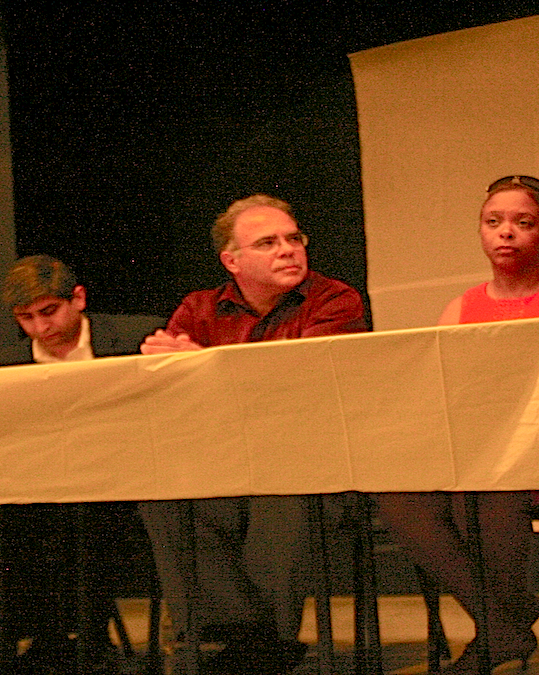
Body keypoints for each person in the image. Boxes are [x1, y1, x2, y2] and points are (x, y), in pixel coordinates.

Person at [374, 175, 539, 673]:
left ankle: (500, 626)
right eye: (493, 222)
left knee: (490, 484)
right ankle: (502, 619)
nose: (506, 233)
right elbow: (444, 394)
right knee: (398, 495)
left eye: (523, 222)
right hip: (479, 449)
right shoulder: (460, 307)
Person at [137, 194, 367, 675]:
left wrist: (201, 366)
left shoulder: (335, 300)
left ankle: (260, 642)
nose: (288, 250)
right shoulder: (199, 309)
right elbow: (170, 396)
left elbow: (301, 382)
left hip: (312, 464)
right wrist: (171, 366)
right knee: (163, 492)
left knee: (281, 485)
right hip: (223, 463)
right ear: (232, 261)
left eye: (293, 238)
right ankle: (243, 638)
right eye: (268, 242)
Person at [0, 254, 165, 675]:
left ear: (79, 298)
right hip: (42, 484)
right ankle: (46, 637)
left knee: (87, 515)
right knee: (6, 517)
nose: (40, 327)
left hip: (129, 477)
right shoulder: (3, 366)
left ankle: (88, 635)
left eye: (48, 311)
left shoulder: (134, 337)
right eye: (26, 318)